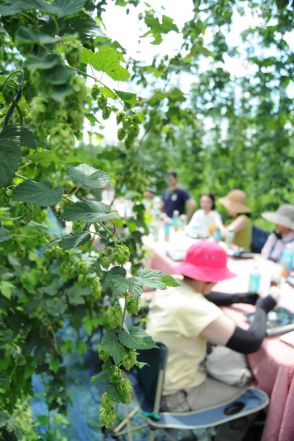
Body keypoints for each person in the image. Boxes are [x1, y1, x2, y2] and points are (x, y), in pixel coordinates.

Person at [146, 241, 279, 441]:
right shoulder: (194, 308)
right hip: (177, 397)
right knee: (255, 396)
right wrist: (262, 308)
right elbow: (251, 342)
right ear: (210, 279)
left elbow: (204, 293)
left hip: (152, 384)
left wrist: (239, 297)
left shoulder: (170, 283)